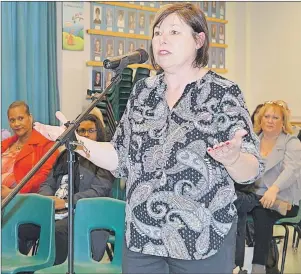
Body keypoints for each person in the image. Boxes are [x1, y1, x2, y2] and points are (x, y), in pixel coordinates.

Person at [34, 3, 264, 274]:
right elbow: (120, 158)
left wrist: (234, 158)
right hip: (143, 238)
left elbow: (252, 170)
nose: (161, 39)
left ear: (199, 40)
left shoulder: (222, 93)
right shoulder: (144, 92)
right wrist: (73, 141)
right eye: (157, 32)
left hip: (203, 239)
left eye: (174, 32)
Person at [19, 109, 114, 265]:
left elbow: (99, 192)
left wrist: (66, 202)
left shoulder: (104, 159)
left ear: (99, 133)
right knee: (22, 226)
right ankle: (25, 268)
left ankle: (53, 269)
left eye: (90, 130)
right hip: (53, 210)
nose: (85, 135)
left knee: (59, 230)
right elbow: (48, 183)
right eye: (81, 131)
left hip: (83, 213)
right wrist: (47, 199)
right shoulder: (64, 156)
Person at [251, 101, 301, 274]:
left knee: (261, 212)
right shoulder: (253, 140)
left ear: (283, 121)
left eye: (275, 117)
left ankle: (258, 267)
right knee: (241, 207)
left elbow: (292, 170)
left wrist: (274, 189)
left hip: (285, 200)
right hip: (258, 196)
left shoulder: (291, 142)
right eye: (267, 116)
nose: (270, 120)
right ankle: (248, 265)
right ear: (260, 119)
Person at [1, 101, 59, 198]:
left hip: (19, 199)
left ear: (30, 118)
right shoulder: (6, 144)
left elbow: (44, 178)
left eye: (20, 118)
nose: (16, 124)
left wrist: (14, 193)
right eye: (12, 120)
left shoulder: (47, 146)